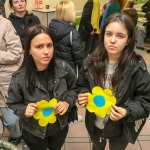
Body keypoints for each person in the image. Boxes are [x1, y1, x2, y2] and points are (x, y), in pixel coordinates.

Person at [78, 13, 150, 150]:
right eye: (109, 34)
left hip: (120, 127)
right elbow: (82, 84)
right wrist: (83, 94)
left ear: (128, 40)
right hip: (95, 122)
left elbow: (145, 100)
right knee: (97, 146)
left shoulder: (137, 68)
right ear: (103, 35)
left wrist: (127, 111)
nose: (112, 40)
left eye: (120, 36)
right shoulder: (90, 62)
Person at [7, 24, 78, 150]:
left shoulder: (64, 68)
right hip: (33, 131)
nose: (46, 51)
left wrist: (67, 102)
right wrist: (24, 110)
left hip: (59, 127)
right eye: (39, 46)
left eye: (49, 45)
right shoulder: (19, 78)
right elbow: (12, 102)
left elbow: (74, 88)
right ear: (28, 50)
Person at [0, 15, 23, 144]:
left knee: (11, 119)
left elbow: (16, 53)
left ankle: (16, 135)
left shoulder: (5, 24)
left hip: (5, 80)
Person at [49, 0, 84, 72]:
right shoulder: (73, 33)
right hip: (70, 70)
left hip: (55, 67)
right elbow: (79, 57)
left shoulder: (49, 28)